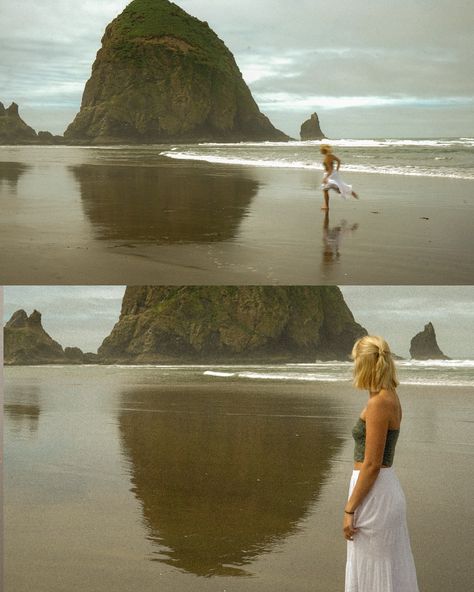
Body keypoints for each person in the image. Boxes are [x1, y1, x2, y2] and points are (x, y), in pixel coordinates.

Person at [344, 335, 419, 592]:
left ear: (366, 365)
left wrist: (349, 509)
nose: (354, 369)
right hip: (382, 489)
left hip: (374, 494)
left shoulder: (379, 404)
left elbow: (372, 464)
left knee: (373, 570)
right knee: (384, 568)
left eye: (356, 362)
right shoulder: (390, 396)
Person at [320, 145, 358, 210]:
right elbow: (339, 161)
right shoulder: (331, 156)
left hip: (329, 175)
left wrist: (325, 178)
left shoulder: (327, 158)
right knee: (336, 188)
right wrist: (337, 170)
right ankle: (350, 191)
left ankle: (326, 206)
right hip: (334, 173)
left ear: (323, 151)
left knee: (326, 189)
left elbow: (330, 170)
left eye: (321, 150)